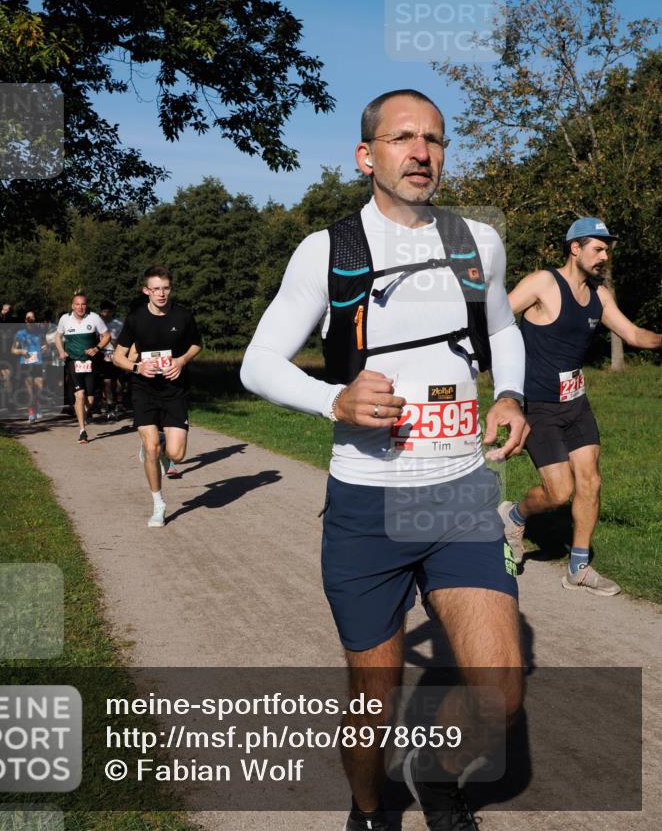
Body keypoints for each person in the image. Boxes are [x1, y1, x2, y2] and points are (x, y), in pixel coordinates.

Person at [241, 89, 529, 831]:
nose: (422, 152)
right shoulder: (330, 251)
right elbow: (258, 364)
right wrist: (332, 400)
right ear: (368, 155)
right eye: (403, 138)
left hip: (460, 492)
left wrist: (512, 396)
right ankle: (370, 810)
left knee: (501, 691)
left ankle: (433, 776)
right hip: (368, 504)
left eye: (433, 139)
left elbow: (503, 329)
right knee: (374, 702)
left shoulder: (478, 242)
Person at [502, 218, 662, 595]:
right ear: (575, 248)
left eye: (607, 249)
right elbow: (496, 320)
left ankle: (578, 567)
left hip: (576, 404)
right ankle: (513, 516)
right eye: (598, 248)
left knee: (590, 481)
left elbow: (634, 334)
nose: (605, 256)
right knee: (558, 493)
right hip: (539, 405)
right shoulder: (543, 282)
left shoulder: (599, 295)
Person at [113, 266, 202, 526]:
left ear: (170, 289)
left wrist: (182, 360)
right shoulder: (135, 318)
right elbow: (118, 356)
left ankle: (162, 448)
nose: (161, 294)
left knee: (177, 455)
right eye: (156, 289)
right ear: (146, 291)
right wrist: (137, 367)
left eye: (165, 288)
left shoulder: (183, 316)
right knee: (150, 447)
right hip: (144, 388)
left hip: (175, 389)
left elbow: (197, 344)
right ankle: (158, 505)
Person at [55, 295, 110, 443]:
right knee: (80, 395)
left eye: (83, 304)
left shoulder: (94, 318)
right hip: (73, 361)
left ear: (86, 306)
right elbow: (57, 337)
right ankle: (82, 430)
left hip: (90, 363)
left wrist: (97, 348)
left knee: (90, 399)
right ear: (72, 306)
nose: (80, 307)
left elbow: (106, 336)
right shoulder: (65, 319)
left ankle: (81, 415)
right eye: (77, 304)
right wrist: (61, 351)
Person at [11, 310, 48, 423]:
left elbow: (45, 345)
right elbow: (12, 350)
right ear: (25, 320)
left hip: (38, 363)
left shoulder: (40, 331)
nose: (30, 320)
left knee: (39, 388)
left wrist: (45, 348)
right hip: (26, 364)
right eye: (28, 318)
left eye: (32, 318)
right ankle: (31, 411)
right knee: (30, 390)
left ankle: (37, 404)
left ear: (35, 320)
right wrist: (21, 351)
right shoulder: (20, 333)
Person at [96, 301, 125, 422]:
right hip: (103, 355)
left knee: (118, 381)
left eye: (108, 311)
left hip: (117, 354)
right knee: (106, 381)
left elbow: (124, 339)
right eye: (103, 312)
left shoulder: (118, 323)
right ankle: (109, 405)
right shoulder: (97, 323)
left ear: (112, 312)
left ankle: (119, 402)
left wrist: (113, 342)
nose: (105, 314)